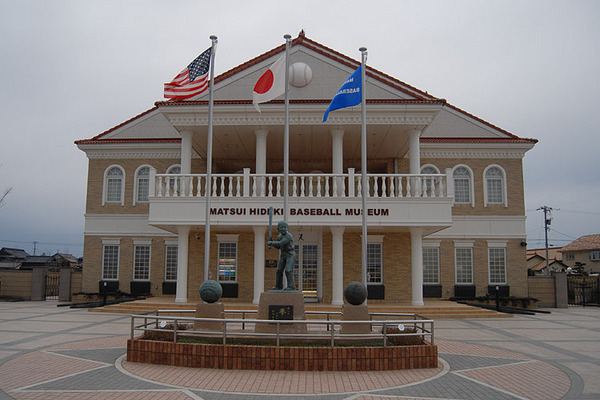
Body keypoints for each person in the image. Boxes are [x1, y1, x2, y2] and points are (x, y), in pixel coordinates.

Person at [268, 221, 296, 291]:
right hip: (283, 254)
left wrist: (272, 242)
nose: (283, 229)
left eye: (285, 227)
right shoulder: (279, 236)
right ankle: (278, 286)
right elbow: (278, 247)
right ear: (278, 229)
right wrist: (272, 243)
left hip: (290, 254)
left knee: (288, 270)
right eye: (282, 227)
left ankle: (291, 286)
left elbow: (281, 243)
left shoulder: (289, 236)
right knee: (279, 270)